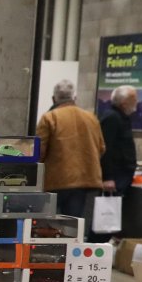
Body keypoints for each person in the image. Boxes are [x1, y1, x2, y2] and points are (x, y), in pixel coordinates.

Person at [36, 78, 105, 221]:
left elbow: (39, 151)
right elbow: (101, 148)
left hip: (55, 181)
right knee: (73, 225)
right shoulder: (91, 118)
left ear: (54, 98)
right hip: (84, 181)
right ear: (75, 98)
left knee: (46, 224)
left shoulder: (50, 117)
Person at [97, 85, 139, 198]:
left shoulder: (122, 117)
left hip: (122, 176)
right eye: (134, 100)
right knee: (109, 208)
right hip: (115, 177)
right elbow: (105, 149)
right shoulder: (112, 118)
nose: (137, 102)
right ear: (124, 103)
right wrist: (107, 177)